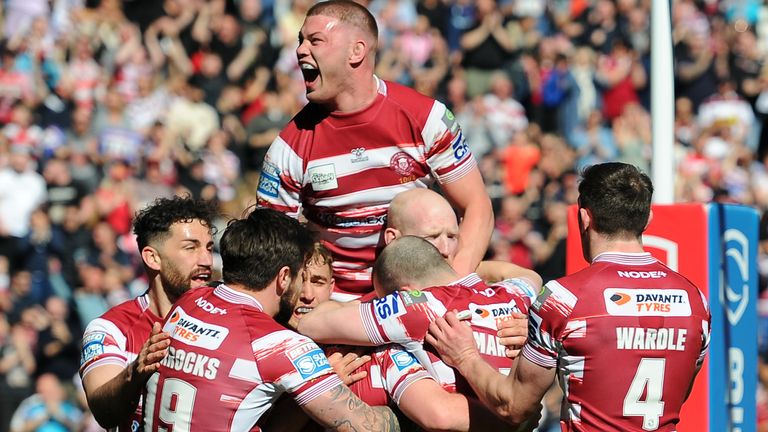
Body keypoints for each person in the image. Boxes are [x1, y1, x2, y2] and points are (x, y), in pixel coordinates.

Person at [426, 162, 712, 430]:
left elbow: (514, 406)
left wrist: (465, 356)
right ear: (647, 220)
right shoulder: (696, 301)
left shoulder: (563, 299)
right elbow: (675, 390)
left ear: (584, 217)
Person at [256, 0, 493, 301]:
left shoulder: (426, 118)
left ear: (357, 51)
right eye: (300, 41)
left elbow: (478, 207)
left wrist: (450, 289)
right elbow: (271, 253)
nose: (301, 50)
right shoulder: (288, 149)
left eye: (315, 40)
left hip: (419, 297)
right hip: (336, 312)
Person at [143, 207, 399, 431]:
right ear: (284, 277)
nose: (304, 292)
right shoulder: (281, 344)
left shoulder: (190, 301)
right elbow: (368, 426)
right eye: (300, 276)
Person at [277, 241, 511, 431]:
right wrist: (317, 387)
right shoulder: (268, 341)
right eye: (299, 282)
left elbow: (441, 413)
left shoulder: (373, 345)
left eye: (317, 281)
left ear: (332, 286)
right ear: (282, 281)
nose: (307, 294)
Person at [297, 236, 538, 396]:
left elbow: (311, 324)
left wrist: (375, 299)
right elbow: (530, 276)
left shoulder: (416, 305)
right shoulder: (513, 293)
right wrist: (460, 272)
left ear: (403, 292)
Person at [79, 195, 219, 431]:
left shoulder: (232, 316)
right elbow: (104, 412)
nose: (207, 260)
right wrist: (136, 372)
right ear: (153, 258)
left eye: (208, 248)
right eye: (190, 247)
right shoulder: (111, 328)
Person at [384, 188, 543, 283]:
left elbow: (530, 278)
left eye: (452, 236)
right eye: (432, 237)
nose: (446, 250)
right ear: (394, 239)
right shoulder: (379, 302)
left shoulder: (464, 275)